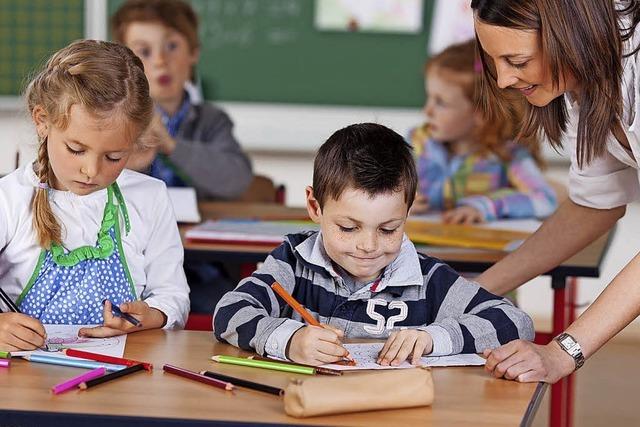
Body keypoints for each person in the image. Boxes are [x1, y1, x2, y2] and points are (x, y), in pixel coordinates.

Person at [213, 123, 534, 366]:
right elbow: (229, 313)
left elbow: (515, 323)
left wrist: (432, 338)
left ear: (407, 213)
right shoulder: (294, 261)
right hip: (308, 406)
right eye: (348, 227)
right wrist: (290, 339)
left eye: (388, 229)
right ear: (315, 207)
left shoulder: (428, 279)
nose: (368, 245)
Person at [470, 0, 640, 383]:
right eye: (494, 62)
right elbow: (595, 206)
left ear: (571, 36)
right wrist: (472, 293)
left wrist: (563, 353)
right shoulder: (587, 80)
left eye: (517, 61)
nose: (503, 81)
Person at [0, 40, 190, 351]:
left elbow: (174, 296)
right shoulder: (8, 200)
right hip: (26, 379)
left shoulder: (149, 197)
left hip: (119, 374)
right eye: (76, 150)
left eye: (114, 157)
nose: (91, 170)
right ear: (42, 121)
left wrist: (151, 315)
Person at [111, 0, 253, 200]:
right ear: (125, 61)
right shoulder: (111, 118)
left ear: (193, 52)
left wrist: (171, 146)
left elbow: (237, 179)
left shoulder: (212, 121)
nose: (160, 60)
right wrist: (127, 160)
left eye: (172, 46)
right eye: (144, 51)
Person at [410, 40, 557, 224]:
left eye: (441, 102)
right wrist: (398, 202)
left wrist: (486, 206)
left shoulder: (507, 156)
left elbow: (545, 199)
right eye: (429, 97)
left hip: (483, 250)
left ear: (482, 113)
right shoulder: (416, 144)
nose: (427, 111)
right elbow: (377, 189)